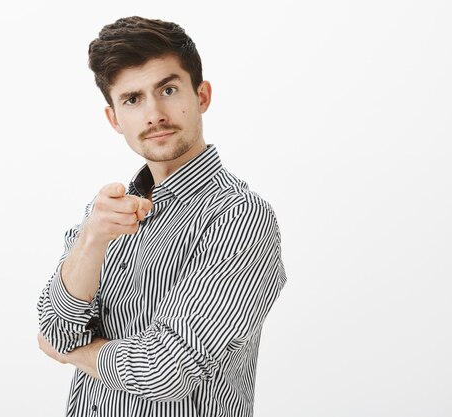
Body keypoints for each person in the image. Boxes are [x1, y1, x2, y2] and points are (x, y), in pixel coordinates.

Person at [37, 16, 286, 417]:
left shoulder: (240, 216)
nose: (154, 114)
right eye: (132, 99)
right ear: (115, 119)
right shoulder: (104, 215)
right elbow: (54, 328)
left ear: (201, 95)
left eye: (168, 90)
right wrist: (92, 239)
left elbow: (165, 370)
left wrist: (74, 355)